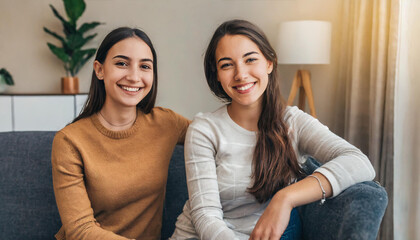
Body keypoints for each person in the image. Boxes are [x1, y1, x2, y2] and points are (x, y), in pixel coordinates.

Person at [170, 19, 375, 240]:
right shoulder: (204, 129)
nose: (240, 74)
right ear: (217, 76)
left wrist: (286, 198)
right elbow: (205, 216)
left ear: (269, 63)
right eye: (227, 64)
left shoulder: (292, 122)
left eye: (250, 60)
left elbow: (359, 162)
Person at [51, 27, 190, 240]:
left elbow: (218, 136)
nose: (134, 77)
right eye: (121, 63)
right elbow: (80, 230)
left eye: (145, 66)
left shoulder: (166, 123)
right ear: (99, 70)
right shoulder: (69, 141)